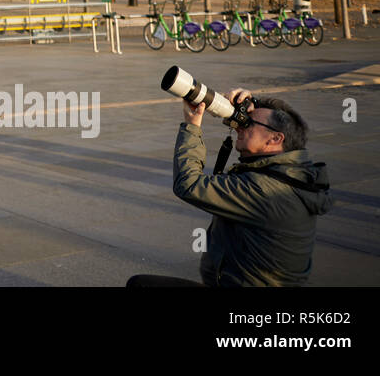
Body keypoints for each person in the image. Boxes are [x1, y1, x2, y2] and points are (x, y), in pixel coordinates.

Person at [128, 89, 331, 287]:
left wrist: (192, 125)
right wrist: (255, 103)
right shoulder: (291, 173)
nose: (239, 127)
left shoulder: (268, 189)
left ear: (276, 138)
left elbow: (189, 184)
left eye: (249, 123)